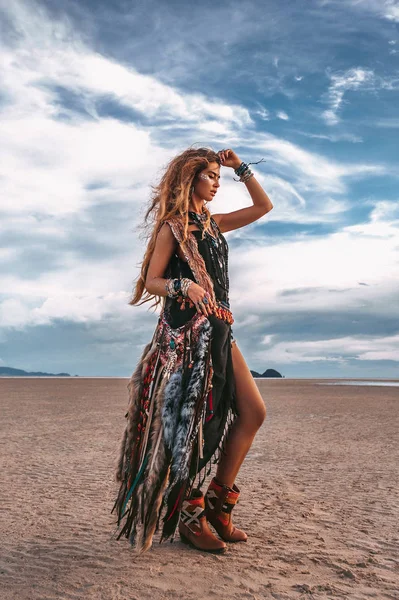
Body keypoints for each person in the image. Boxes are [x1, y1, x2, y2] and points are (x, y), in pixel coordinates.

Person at [112, 147, 273, 554]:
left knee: (253, 412)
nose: (217, 183)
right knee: (198, 427)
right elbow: (152, 280)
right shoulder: (174, 227)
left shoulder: (214, 225)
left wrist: (241, 168)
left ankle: (219, 506)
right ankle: (187, 511)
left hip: (220, 328)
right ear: (191, 179)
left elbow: (263, 205)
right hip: (186, 338)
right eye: (212, 176)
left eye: (220, 177)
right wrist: (184, 286)